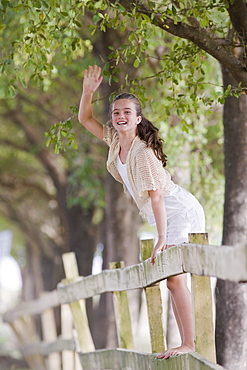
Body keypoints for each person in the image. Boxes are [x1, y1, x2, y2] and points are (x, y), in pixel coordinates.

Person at [78, 65, 205, 359]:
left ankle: (189, 344)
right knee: (172, 278)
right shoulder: (115, 143)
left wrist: (161, 237)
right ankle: (186, 343)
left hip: (179, 212)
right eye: (116, 112)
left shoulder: (143, 153)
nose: (120, 116)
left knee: (174, 278)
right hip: (164, 216)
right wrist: (87, 93)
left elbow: (157, 197)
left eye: (126, 112)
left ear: (137, 119)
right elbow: (85, 118)